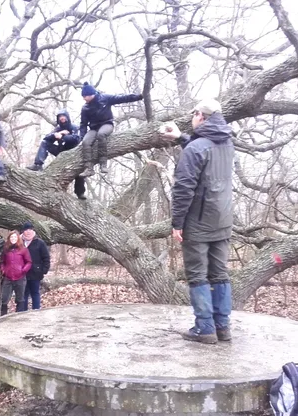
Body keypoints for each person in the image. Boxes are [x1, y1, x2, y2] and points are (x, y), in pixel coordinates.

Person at [160, 98, 234, 344]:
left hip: (198, 222)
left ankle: (205, 328)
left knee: (197, 275)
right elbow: (204, 150)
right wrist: (181, 137)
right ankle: (222, 327)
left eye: (194, 114)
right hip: (222, 219)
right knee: (220, 274)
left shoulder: (196, 148)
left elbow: (183, 189)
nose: (193, 117)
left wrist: (177, 223)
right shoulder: (227, 143)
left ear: (201, 116)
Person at [79, 82, 143, 177]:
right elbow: (83, 124)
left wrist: (138, 97)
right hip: (93, 128)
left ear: (91, 95)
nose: (84, 98)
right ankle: (89, 168)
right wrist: (82, 136)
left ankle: (103, 164)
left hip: (107, 124)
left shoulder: (105, 98)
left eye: (85, 96)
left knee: (101, 135)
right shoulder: (85, 108)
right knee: (86, 142)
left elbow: (121, 98)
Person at [27, 110, 87, 200]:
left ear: (67, 117)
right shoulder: (58, 128)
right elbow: (46, 137)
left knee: (79, 172)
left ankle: (80, 192)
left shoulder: (74, 127)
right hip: (61, 151)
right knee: (45, 143)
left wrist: (63, 136)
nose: (62, 118)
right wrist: (56, 134)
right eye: (60, 116)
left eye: (63, 116)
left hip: (73, 153)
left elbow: (76, 139)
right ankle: (38, 164)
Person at [0, 230, 32, 316]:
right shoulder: (6, 250)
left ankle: (18, 317)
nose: (13, 239)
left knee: (20, 299)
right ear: (9, 239)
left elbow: (29, 262)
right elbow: (2, 262)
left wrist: (23, 270)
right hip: (8, 278)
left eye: (15, 237)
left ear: (18, 238)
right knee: (4, 299)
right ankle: (3, 317)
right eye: (11, 237)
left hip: (20, 277)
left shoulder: (23, 249)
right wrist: (3, 270)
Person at [20, 222, 50, 311]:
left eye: (30, 229)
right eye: (26, 230)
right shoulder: (19, 242)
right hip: (22, 272)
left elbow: (46, 257)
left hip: (35, 272)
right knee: (23, 294)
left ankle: (36, 313)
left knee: (35, 293)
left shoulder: (39, 243)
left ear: (33, 230)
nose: (28, 232)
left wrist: (43, 270)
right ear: (23, 231)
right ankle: (23, 313)